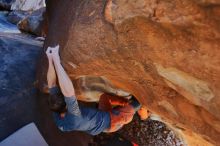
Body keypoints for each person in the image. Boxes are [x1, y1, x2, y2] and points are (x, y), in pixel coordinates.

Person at [46, 45, 149, 135]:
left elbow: (51, 84)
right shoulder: (73, 117)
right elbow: (68, 91)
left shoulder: (57, 114)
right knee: (137, 103)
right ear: (66, 105)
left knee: (104, 97)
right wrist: (56, 60)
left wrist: (50, 58)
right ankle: (143, 115)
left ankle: (125, 102)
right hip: (112, 122)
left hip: (100, 118)